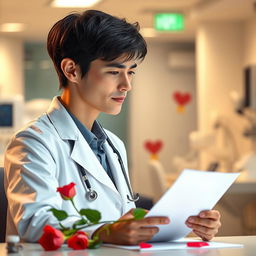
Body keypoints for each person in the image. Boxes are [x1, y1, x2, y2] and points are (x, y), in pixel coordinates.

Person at [4, 10, 221, 244]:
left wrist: (183, 223)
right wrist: (103, 232)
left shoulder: (114, 145)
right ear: (72, 70)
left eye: (131, 72)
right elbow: (36, 223)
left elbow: (122, 223)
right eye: (114, 72)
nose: (126, 85)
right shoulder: (33, 142)